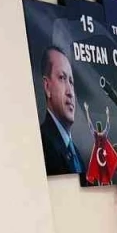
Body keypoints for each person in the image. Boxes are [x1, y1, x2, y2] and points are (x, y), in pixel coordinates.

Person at [37, 46, 84, 178]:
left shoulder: (78, 157)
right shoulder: (43, 144)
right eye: (62, 78)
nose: (70, 92)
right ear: (47, 87)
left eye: (71, 82)